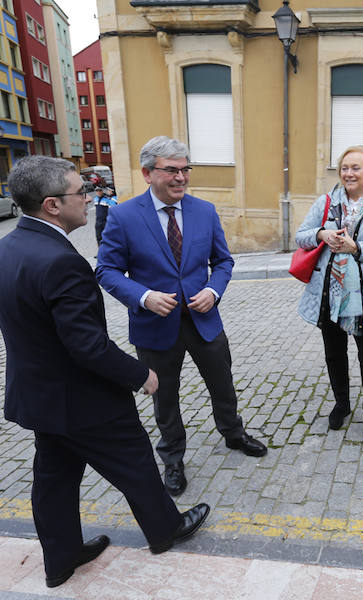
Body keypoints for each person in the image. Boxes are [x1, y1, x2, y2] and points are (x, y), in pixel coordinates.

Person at [0, 156, 209, 588]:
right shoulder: (61, 261)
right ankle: (166, 529)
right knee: (135, 461)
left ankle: (61, 557)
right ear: (52, 205)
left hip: (41, 397)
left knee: (54, 480)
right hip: (83, 398)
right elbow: (87, 345)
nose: (88, 198)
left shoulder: (5, 248)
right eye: (80, 191)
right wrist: (140, 374)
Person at [96, 136, 267, 498]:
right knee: (165, 396)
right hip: (154, 325)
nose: (181, 177)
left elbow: (223, 261)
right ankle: (172, 457)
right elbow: (106, 270)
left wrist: (213, 291)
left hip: (204, 320)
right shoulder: (124, 216)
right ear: (147, 173)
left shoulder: (204, 211)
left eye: (185, 169)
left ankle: (233, 433)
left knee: (222, 383)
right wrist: (144, 297)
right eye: (171, 170)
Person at [296, 146, 363, 444]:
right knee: (334, 352)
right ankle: (341, 404)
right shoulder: (326, 202)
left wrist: (358, 248)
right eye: (344, 167)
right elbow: (301, 236)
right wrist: (321, 234)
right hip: (330, 293)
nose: (349, 173)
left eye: (356, 168)